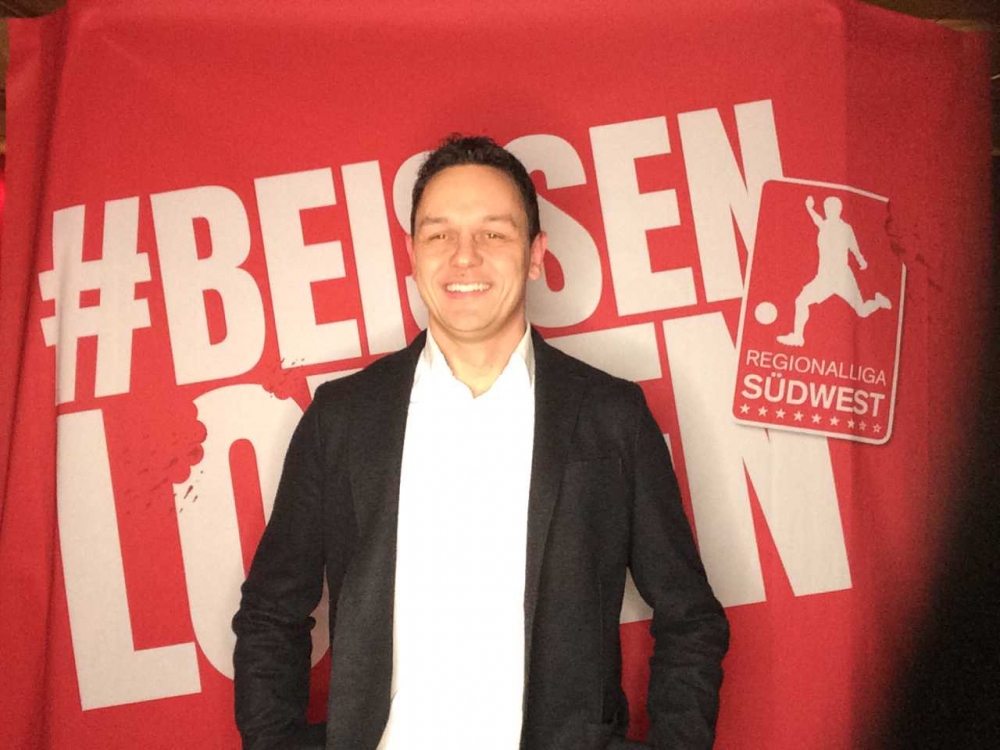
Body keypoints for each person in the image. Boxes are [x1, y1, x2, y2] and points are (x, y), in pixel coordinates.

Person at [233, 135, 729, 750]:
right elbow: (270, 614)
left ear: (536, 254)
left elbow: (691, 618)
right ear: (412, 254)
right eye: (439, 234)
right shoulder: (342, 419)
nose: (463, 257)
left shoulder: (611, 417)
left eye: (493, 233)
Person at [777, 195, 891, 347]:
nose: (828, 211)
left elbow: (854, 247)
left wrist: (861, 261)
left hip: (842, 277)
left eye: (832, 208)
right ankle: (798, 337)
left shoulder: (845, 228)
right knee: (801, 301)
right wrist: (809, 208)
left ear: (839, 210)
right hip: (824, 278)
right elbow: (816, 219)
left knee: (862, 311)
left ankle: (878, 301)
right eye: (826, 208)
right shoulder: (824, 225)